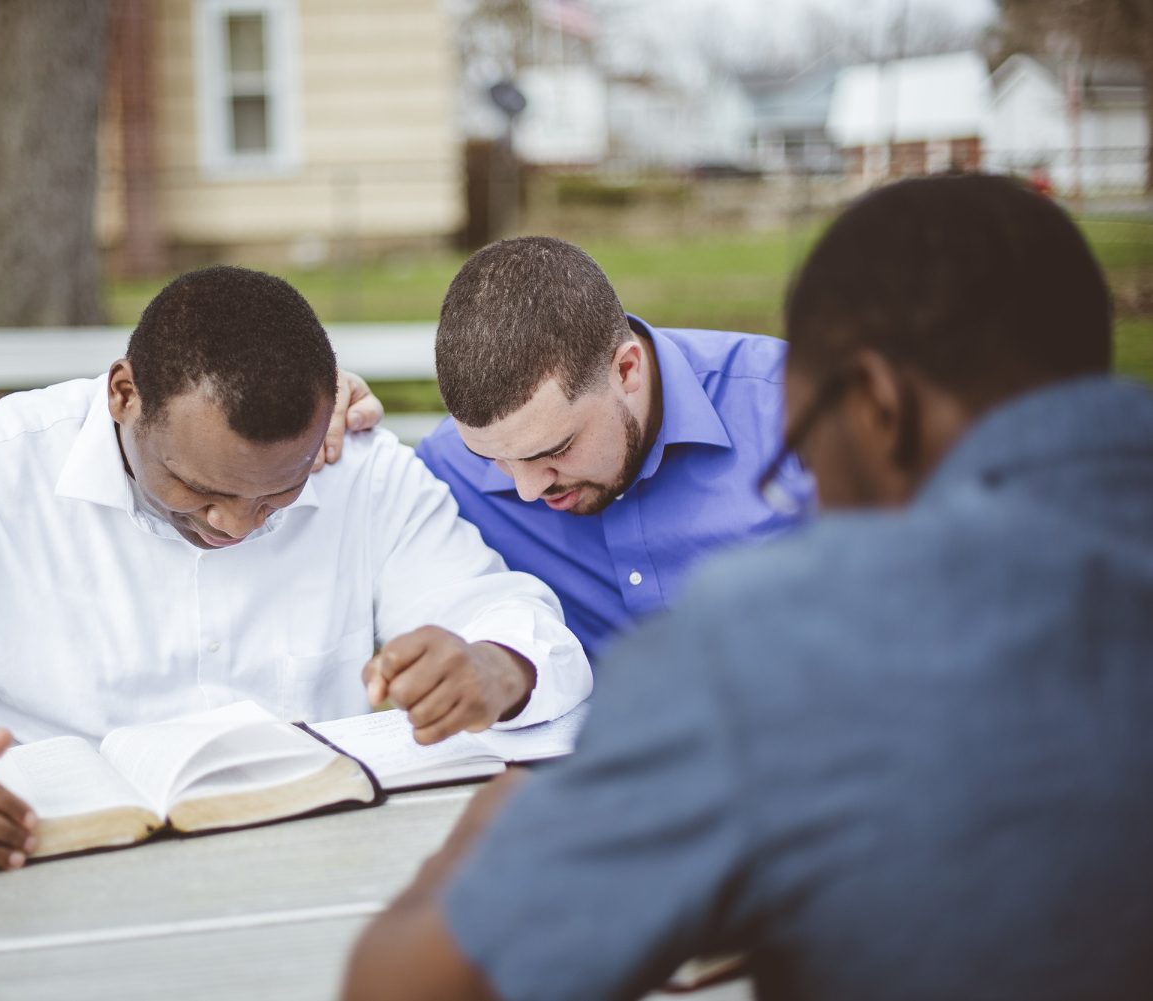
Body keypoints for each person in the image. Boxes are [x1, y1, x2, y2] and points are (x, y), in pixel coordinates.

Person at [343, 174, 1153, 1001]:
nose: (520, 488)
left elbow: (400, 987)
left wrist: (492, 829)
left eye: (800, 450)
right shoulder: (451, 472)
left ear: (874, 405)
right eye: (495, 464)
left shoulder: (755, 647)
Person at [0, 266, 591, 879]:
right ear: (123, 393)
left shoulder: (358, 467)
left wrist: (491, 664)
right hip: (34, 882)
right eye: (202, 490)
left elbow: (517, 621)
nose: (239, 525)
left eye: (276, 495)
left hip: (323, 879)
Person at [415, 236, 811, 656]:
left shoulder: (805, 412)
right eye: (492, 458)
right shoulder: (442, 471)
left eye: (554, 450)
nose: (527, 489)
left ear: (625, 369)